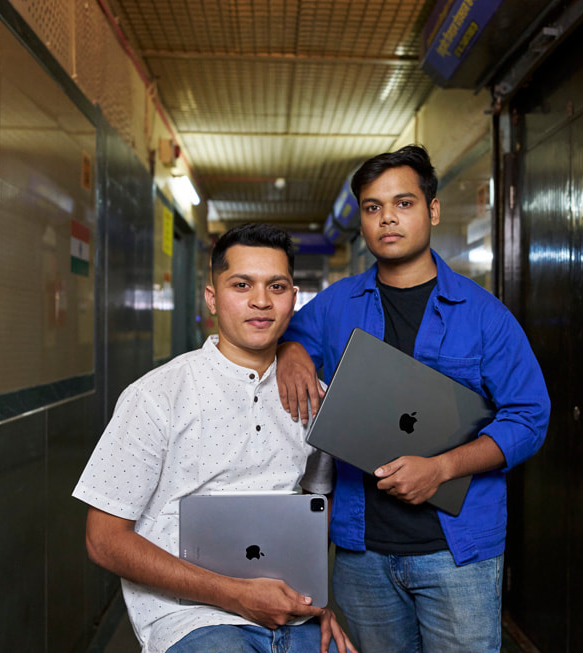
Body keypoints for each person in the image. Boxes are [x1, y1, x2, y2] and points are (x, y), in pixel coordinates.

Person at [276, 145, 550, 652]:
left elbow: (530, 419)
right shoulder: (337, 304)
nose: (387, 219)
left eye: (403, 203)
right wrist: (293, 351)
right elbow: (289, 334)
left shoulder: (484, 315)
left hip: (457, 552)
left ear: (433, 210)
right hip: (362, 555)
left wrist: (443, 468)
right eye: (373, 207)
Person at [73, 223, 355, 653]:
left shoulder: (314, 395)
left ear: (292, 299)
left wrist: (311, 600)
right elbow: (104, 539)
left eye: (276, 286)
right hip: (191, 620)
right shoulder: (157, 396)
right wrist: (236, 594)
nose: (261, 300)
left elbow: (317, 502)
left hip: (292, 615)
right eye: (241, 285)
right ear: (212, 297)